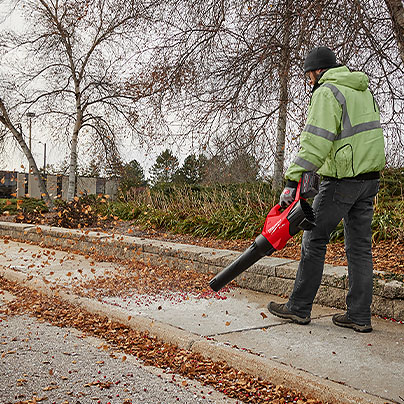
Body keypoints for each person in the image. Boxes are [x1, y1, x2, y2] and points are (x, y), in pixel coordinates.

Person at [267, 46, 385, 333]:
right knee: (359, 248)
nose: (309, 82)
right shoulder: (361, 89)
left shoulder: (327, 91)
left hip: (342, 180)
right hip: (370, 180)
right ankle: (359, 315)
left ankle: (298, 308)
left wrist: (293, 180)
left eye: (309, 77)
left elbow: (316, 143)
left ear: (316, 71)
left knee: (314, 238)